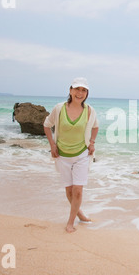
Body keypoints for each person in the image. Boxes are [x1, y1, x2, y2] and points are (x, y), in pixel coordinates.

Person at [44, 77, 99, 233]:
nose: (80, 93)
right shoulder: (59, 108)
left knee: (78, 190)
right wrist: (52, 145)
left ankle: (70, 222)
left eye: (84, 90)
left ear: (87, 93)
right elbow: (47, 125)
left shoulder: (89, 110)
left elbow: (95, 127)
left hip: (82, 154)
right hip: (62, 155)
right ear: (70, 90)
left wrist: (92, 143)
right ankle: (80, 214)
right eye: (77, 89)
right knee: (69, 191)